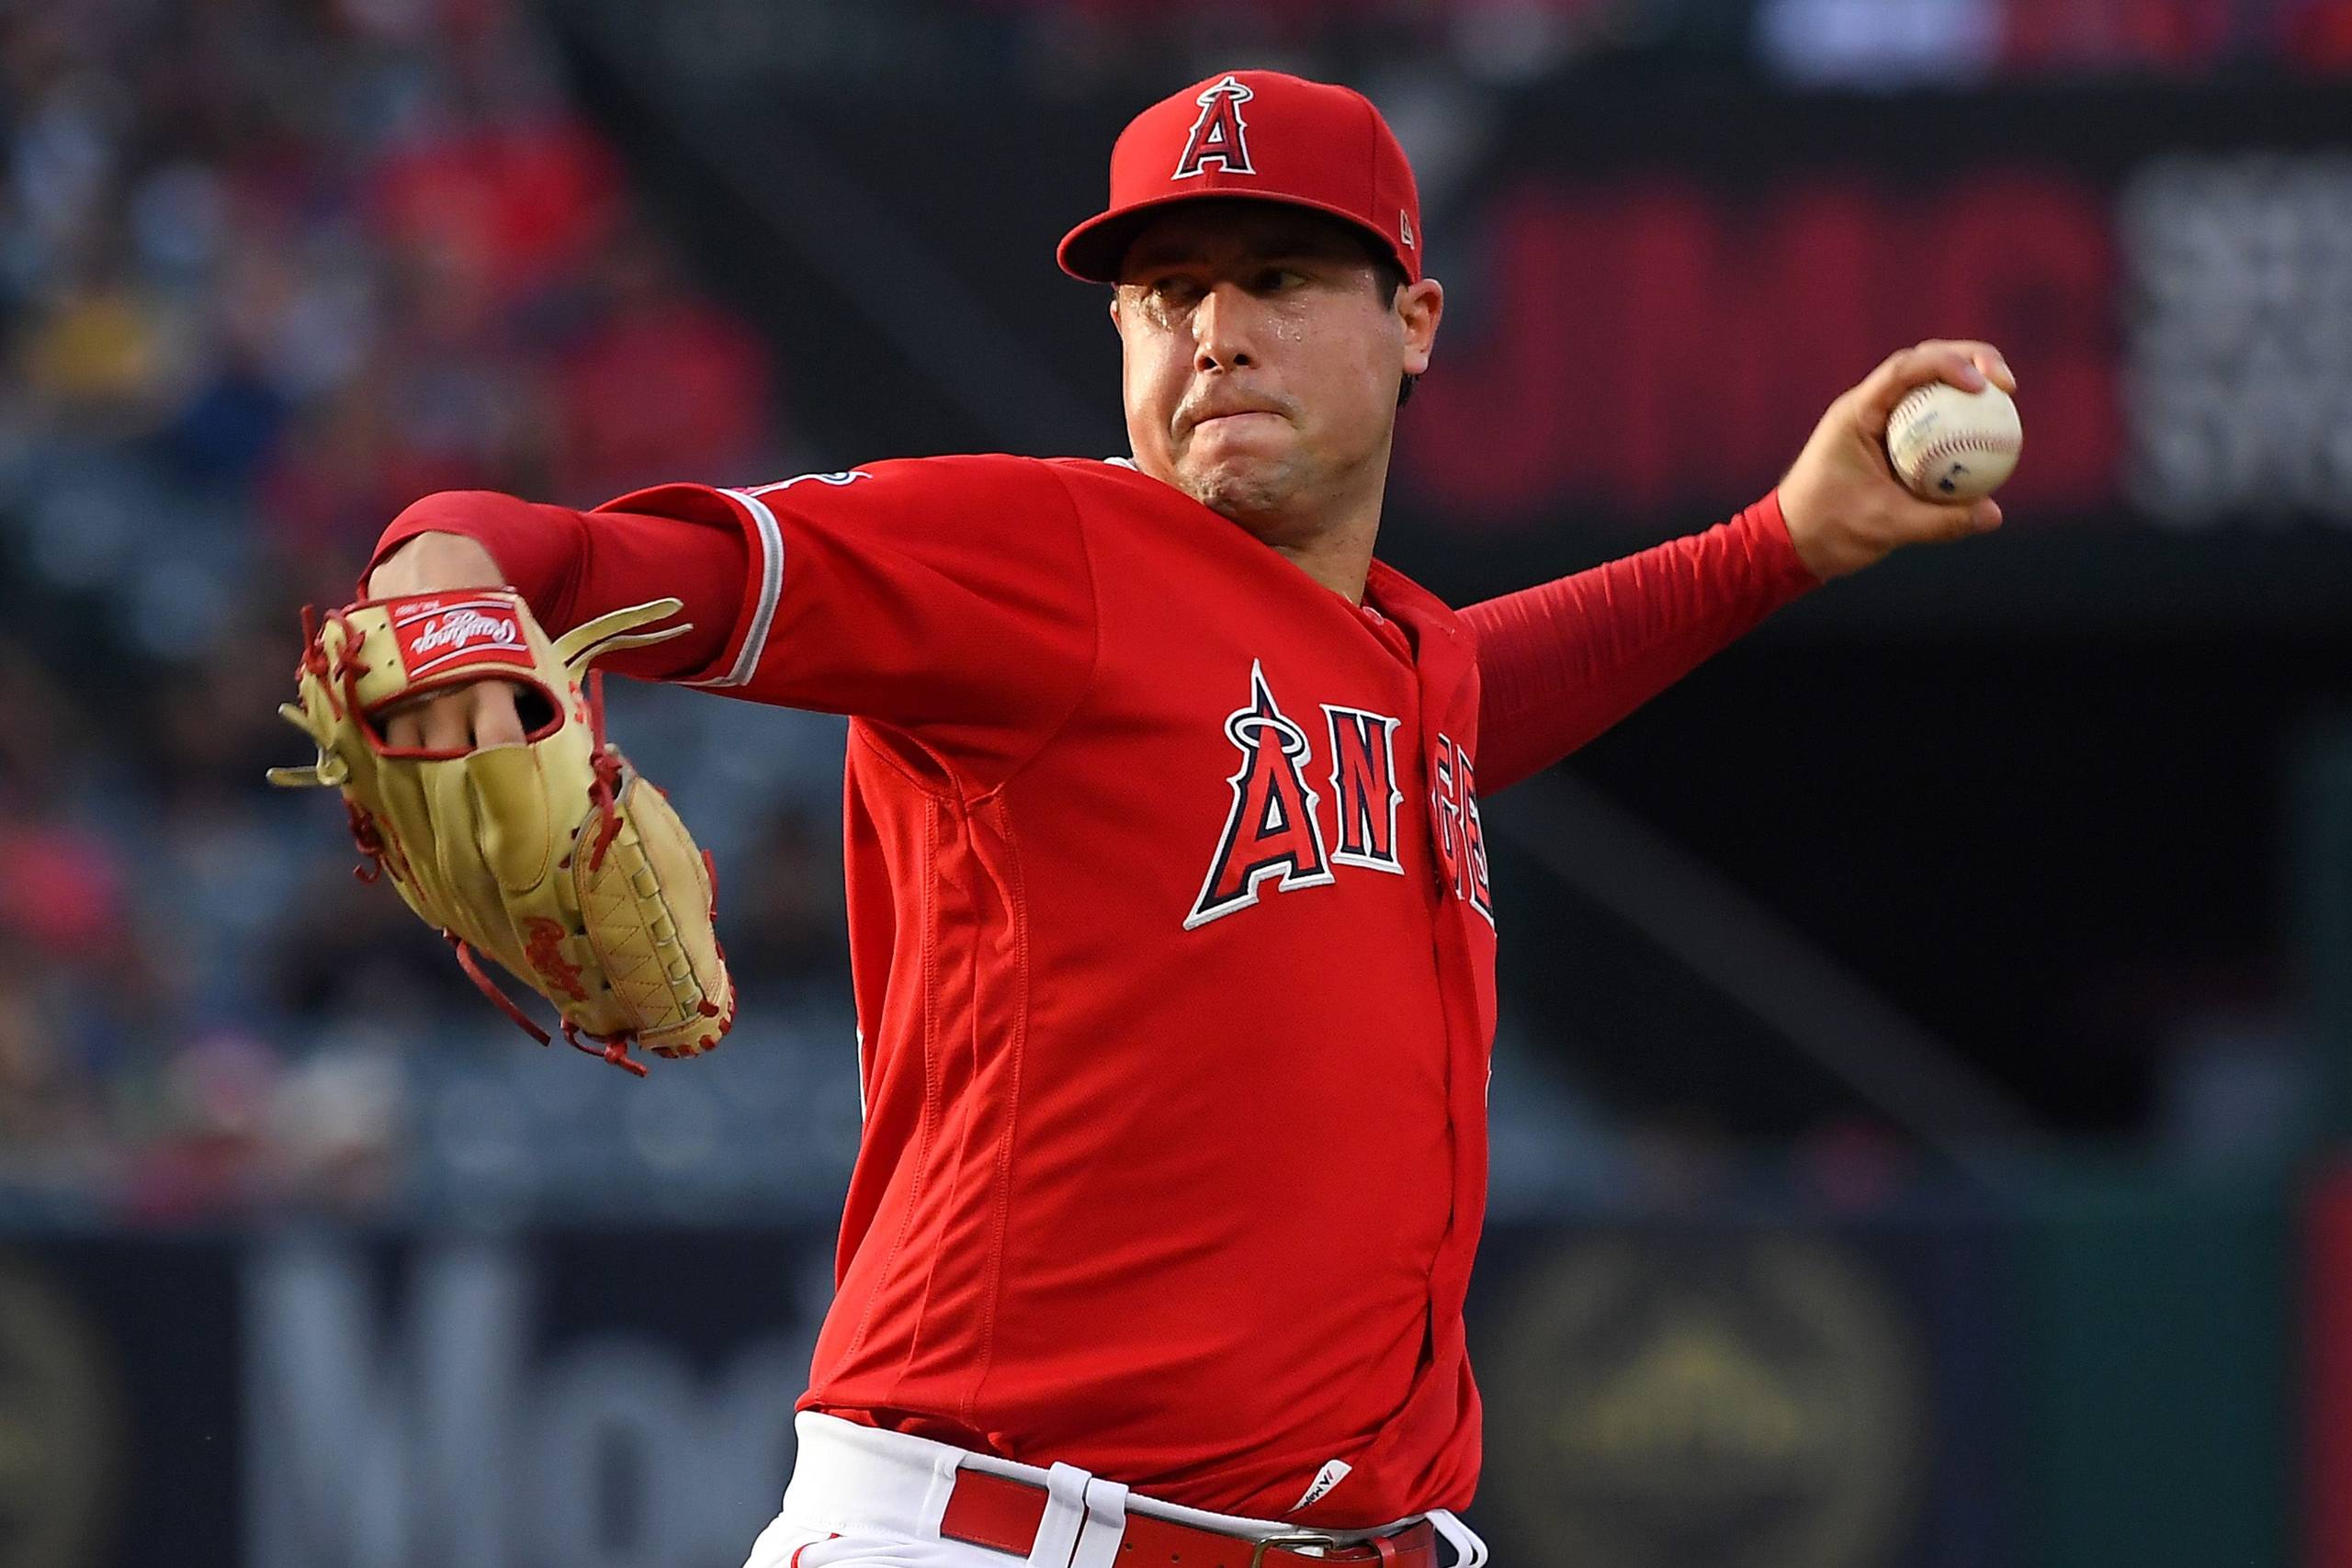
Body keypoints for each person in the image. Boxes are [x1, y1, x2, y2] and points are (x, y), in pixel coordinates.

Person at [362, 69, 2012, 1568]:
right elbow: (613, 559)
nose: (1214, 330)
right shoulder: (1043, 557)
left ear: (1417, 319)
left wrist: (1780, 540)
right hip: (1005, 1538)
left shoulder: (1398, 667)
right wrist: (444, 566)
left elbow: (1479, 690)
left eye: (1277, 280)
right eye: (1167, 293)